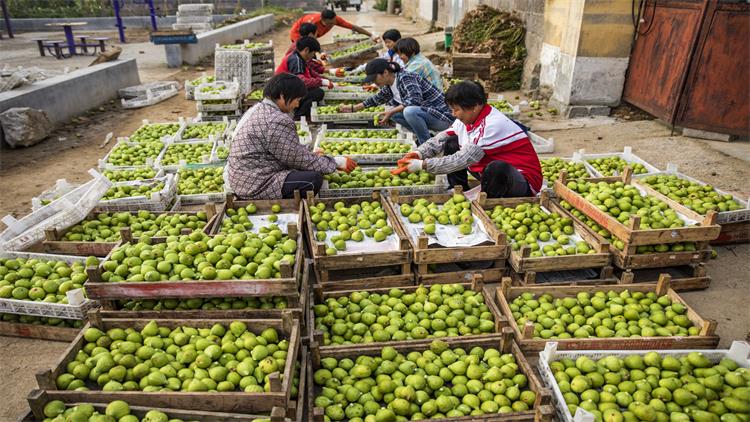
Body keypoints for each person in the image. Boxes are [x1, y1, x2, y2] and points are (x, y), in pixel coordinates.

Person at [392, 81, 542, 198]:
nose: (454, 114)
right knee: (452, 142)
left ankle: (487, 203)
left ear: (475, 106)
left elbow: (463, 159)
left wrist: (423, 165)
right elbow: (442, 138)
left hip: (520, 181)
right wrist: (419, 153)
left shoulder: (491, 125)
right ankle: (458, 189)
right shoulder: (468, 119)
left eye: (456, 109)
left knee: (497, 168)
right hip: (487, 173)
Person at [228, 73, 357, 200]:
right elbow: (295, 158)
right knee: (313, 180)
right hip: (255, 184)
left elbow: (286, 149)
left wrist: (310, 154)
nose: (297, 105)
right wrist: (335, 163)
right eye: (297, 100)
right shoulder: (276, 120)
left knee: (309, 167)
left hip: (243, 178)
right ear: (283, 96)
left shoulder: (258, 108)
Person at [338, 58, 454, 145]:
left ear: (385, 72)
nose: (373, 82)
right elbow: (375, 99)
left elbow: (415, 100)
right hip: (429, 116)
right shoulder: (389, 85)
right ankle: (426, 136)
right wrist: (353, 108)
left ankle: (426, 144)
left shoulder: (406, 77)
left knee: (409, 111)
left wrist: (391, 112)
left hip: (443, 118)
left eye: (374, 78)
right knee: (395, 113)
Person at [275, 37, 332, 120]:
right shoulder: (295, 60)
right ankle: (299, 117)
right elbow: (302, 81)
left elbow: (310, 72)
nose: (313, 56)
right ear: (306, 50)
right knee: (317, 93)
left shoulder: (299, 57)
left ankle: (303, 114)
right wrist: (322, 82)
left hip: (288, 88)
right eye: (313, 53)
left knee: (315, 89)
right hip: (283, 92)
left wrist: (324, 78)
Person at [290, 9, 375, 42]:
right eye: (329, 23)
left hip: (312, 36)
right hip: (297, 34)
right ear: (323, 20)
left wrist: (371, 35)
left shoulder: (335, 20)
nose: (332, 24)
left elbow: (354, 27)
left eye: (333, 23)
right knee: (302, 52)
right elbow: (309, 39)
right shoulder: (312, 23)